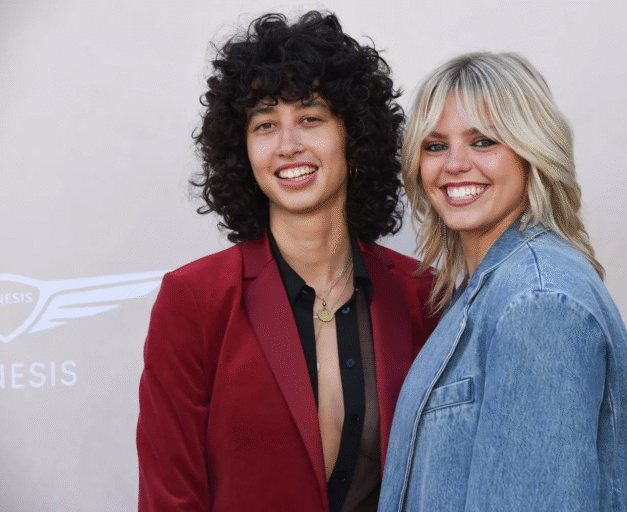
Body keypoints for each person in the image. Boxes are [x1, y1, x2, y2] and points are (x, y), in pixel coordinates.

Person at [136, 12, 437, 512]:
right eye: (265, 124)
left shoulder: (422, 295)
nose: (287, 145)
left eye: (311, 118)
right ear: (242, 149)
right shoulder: (194, 301)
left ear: (355, 137)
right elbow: (170, 495)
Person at [378, 52, 627, 511]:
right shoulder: (485, 291)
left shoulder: (536, 302)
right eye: (435, 146)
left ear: (531, 152)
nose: (454, 164)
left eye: (483, 141)